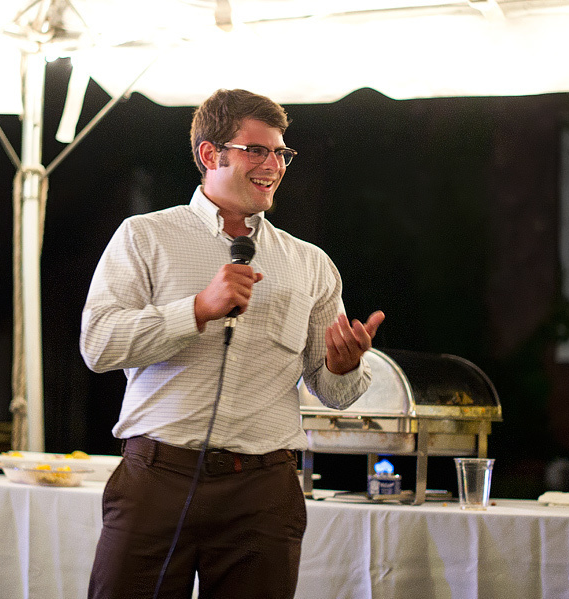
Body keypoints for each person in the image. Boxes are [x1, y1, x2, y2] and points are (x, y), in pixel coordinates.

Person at [80, 88, 384, 599]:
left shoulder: (309, 262)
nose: (274, 165)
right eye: (256, 150)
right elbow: (99, 345)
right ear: (209, 153)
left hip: (262, 492)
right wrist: (196, 309)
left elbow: (335, 393)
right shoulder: (144, 237)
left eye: (280, 152)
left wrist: (342, 365)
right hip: (158, 479)